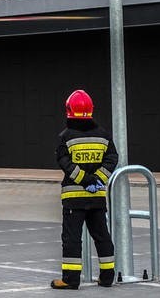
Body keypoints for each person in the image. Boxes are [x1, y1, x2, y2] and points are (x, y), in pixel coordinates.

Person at [51, 89, 118, 290]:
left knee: (72, 238)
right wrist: (97, 179)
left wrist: (84, 179)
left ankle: (71, 279)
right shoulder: (103, 135)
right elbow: (112, 158)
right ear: (91, 110)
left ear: (69, 110)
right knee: (102, 235)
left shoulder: (66, 136)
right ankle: (107, 277)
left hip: (74, 198)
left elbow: (64, 161)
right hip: (96, 196)